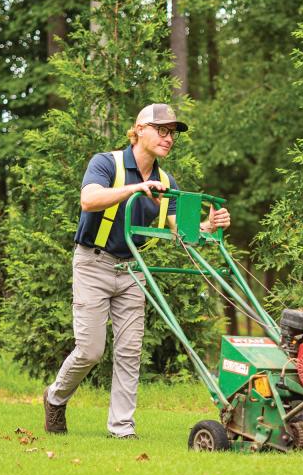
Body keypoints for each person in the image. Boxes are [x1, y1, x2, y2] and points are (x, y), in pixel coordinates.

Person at [43, 103, 230, 438]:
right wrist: (134, 189)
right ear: (139, 129)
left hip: (133, 269)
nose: (168, 138)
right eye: (162, 130)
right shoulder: (106, 163)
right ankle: (55, 397)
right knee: (90, 350)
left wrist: (208, 225)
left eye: (172, 133)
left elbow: (180, 232)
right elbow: (89, 200)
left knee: (130, 351)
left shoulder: (165, 180)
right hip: (93, 263)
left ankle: (121, 428)